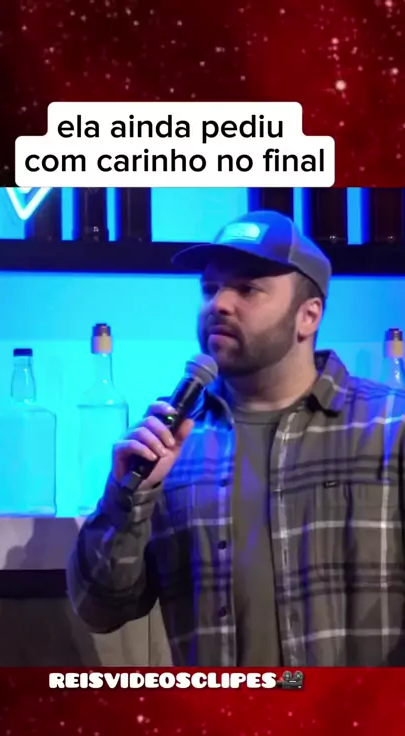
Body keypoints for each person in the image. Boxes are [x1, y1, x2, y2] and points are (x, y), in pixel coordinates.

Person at [67, 209, 405, 667]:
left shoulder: (390, 425)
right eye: (210, 289)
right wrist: (128, 497)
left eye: (247, 289)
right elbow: (98, 608)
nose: (219, 304)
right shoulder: (173, 444)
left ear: (308, 316)